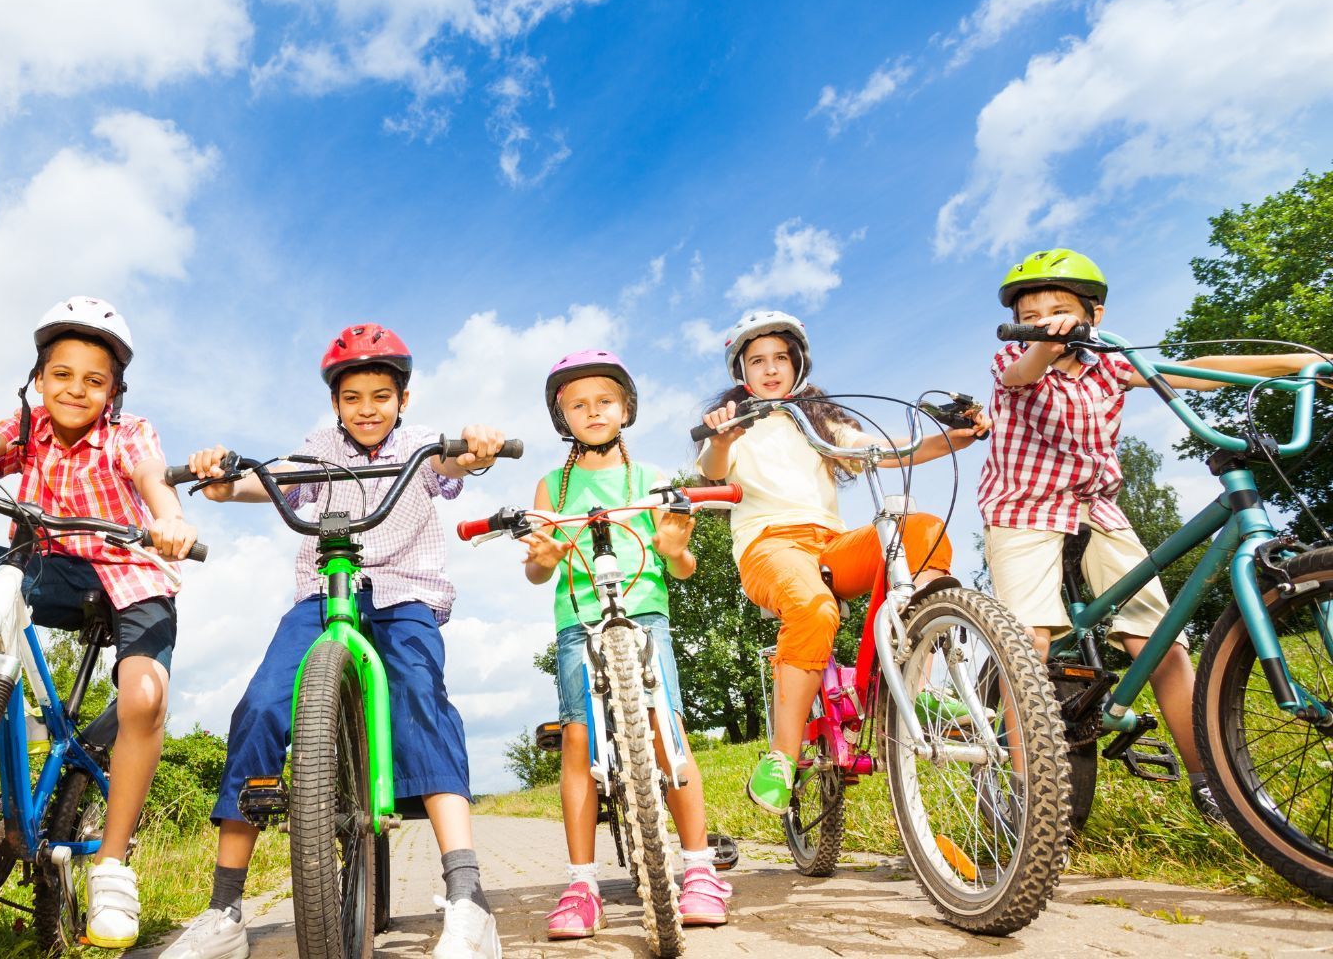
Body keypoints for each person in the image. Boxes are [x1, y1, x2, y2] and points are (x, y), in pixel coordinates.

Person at [163, 322, 507, 959]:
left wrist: (478, 449)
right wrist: (220, 478)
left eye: (381, 395)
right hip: (325, 596)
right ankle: (224, 911)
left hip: (405, 595)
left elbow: (456, 462)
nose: (368, 409)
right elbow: (269, 481)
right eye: (353, 398)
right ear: (335, 404)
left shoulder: (421, 448)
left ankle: (467, 899)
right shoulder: (319, 450)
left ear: (402, 399)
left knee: (419, 700)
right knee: (262, 705)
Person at [0, 295, 197, 948]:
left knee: (142, 698)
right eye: (62, 375)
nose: (75, 390)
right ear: (40, 379)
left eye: (94, 381)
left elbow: (152, 478)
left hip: (127, 579)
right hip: (46, 566)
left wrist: (170, 518)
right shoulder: (31, 427)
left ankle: (110, 864)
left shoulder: (129, 435)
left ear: (114, 391)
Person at [981, 248, 1325, 821]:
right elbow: (1025, 372)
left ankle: (1214, 783)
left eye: (1060, 309)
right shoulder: (1013, 359)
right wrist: (1045, 340)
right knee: (1029, 643)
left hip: (1099, 511)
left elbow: (1205, 371)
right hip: (1023, 509)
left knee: (1160, 641)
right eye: (1032, 313)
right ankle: (1024, 796)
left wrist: (1301, 361)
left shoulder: (1112, 362)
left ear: (1096, 313)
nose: (1045, 320)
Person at [697, 310, 985, 815]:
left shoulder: (819, 419)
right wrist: (719, 440)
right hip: (770, 546)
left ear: (798, 364)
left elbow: (881, 448)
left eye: (780, 358)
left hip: (831, 544)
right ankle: (781, 760)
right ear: (741, 372)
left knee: (920, 530)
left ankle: (914, 686)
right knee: (813, 608)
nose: (770, 369)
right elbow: (709, 476)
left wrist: (954, 437)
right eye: (757, 360)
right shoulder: (731, 427)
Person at [522, 350, 730, 936]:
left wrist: (672, 548)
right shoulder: (551, 484)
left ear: (625, 409)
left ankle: (698, 868)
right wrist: (542, 557)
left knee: (668, 731)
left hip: (645, 614)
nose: (593, 411)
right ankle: (582, 884)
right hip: (578, 619)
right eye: (578, 404)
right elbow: (538, 571)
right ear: (562, 416)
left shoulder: (649, 479)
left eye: (604, 401)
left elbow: (683, 566)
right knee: (578, 739)